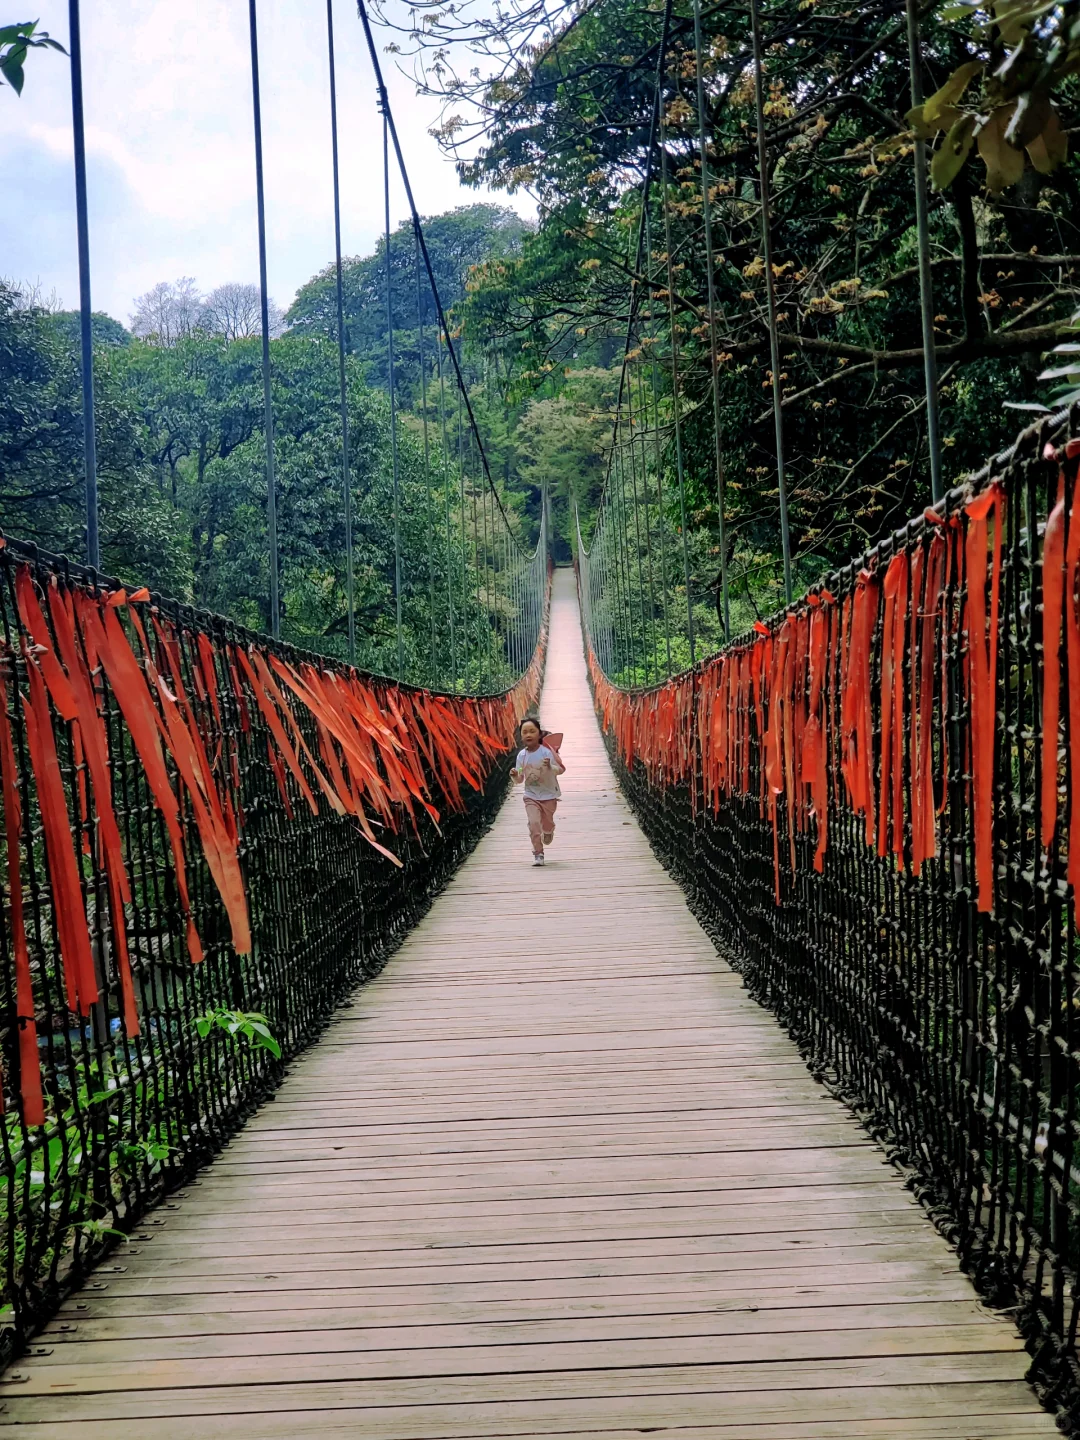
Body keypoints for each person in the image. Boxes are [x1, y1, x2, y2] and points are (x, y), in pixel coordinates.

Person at [511, 717, 566, 867]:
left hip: (549, 795)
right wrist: (515, 775)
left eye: (532, 731)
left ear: (539, 734)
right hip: (531, 796)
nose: (528, 735)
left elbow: (559, 770)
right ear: (521, 736)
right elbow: (520, 777)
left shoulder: (546, 753)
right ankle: (538, 853)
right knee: (534, 824)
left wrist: (549, 767)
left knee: (546, 823)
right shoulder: (521, 756)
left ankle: (549, 830)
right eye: (525, 732)